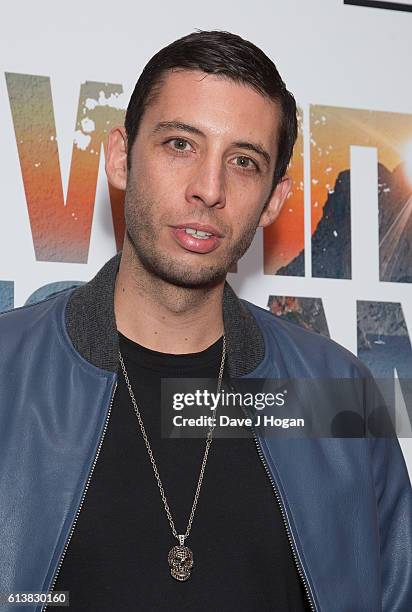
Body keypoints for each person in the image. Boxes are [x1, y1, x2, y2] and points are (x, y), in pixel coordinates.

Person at [0, 30, 411, 612]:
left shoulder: (332, 396)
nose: (209, 190)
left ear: (272, 200)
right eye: (179, 145)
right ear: (121, 157)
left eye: (243, 162)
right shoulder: (6, 374)